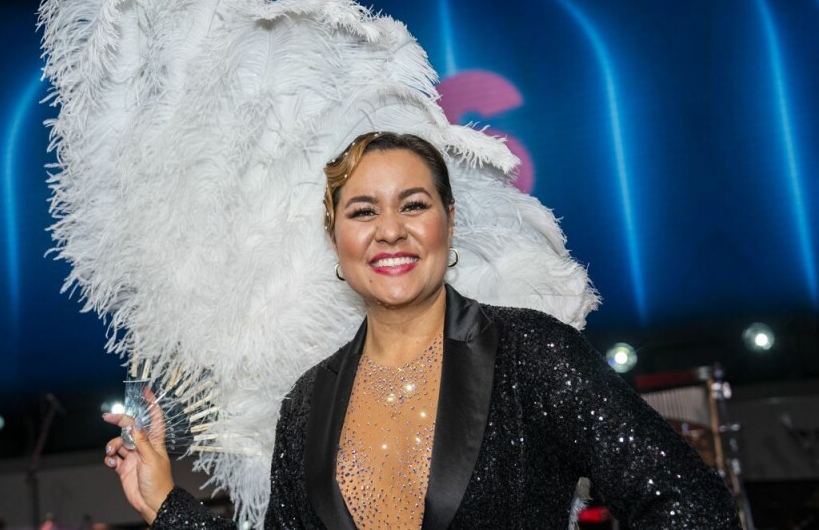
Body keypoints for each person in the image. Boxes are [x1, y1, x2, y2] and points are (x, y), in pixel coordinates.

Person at [101, 132, 741, 529]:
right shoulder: (306, 405)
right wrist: (165, 503)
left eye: (413, 204)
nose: (390, 230)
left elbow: (694, 507)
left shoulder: (532, 353)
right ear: (337, 240)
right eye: (362, 211)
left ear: (448, 222)